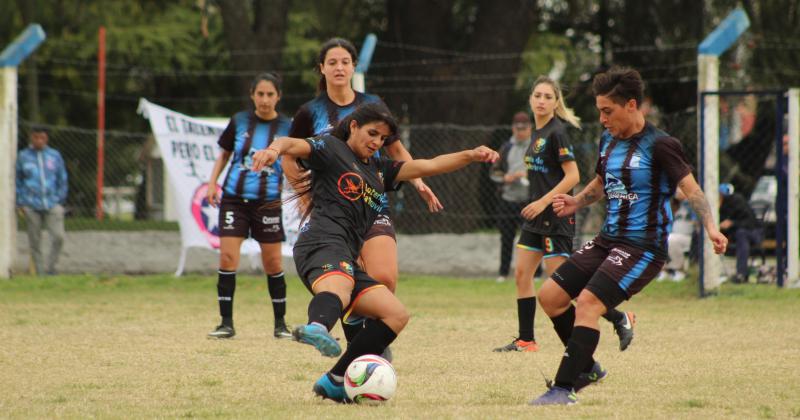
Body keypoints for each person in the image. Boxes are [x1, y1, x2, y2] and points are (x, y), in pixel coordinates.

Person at [251, 102, 498, 402]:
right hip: (321, 242)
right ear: (353, 126)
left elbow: (428, 165)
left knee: (396, 314)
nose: (377, 142)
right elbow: (292, 143)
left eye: (382, 138)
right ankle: (318, 327)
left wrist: (471, 155)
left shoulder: (380, 170)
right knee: (340, 285)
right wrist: (274, 150)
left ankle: (335, 379)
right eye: (372, 133)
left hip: (346, 252)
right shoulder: (330, 147)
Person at [530, 67, 727, 406]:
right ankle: (587, 366)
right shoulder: (608, 140)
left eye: (608, 111)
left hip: (643, 248)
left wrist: (710, 226)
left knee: (589, 304)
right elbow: (600, 182)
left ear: (632, 105)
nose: (602, 119)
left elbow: (691, 189)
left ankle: (564, 389)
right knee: (550, 296)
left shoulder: (662, 145)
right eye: (600, 111)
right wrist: (576, 201)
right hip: (608, 239)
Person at [283, 37, 442, 346]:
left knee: (385, 277)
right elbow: (290, 157)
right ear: (322, 68)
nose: (339, 67)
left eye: (345, 62)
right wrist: (306, 199)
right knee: (343, 276)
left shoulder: (372, 103)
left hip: (372, 202)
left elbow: (395, 148)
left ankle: (368, 335)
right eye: (332, 62)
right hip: (332, 207)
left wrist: (418, 183)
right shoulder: (309, 112)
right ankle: (362, 349)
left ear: (354, 66)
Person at [493, 76, 635, 354]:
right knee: (522, 274)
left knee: (561, 285)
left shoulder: (557, 132)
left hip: (556, 214)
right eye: (538, 95)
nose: (542, 101)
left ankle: (619, 317)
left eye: (548, 96)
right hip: (536, 216)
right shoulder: (535, 133)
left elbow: (574, 176)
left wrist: (543, 201)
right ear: (531, 99)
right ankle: (526, 340)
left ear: (556, 102)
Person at [206, 73, 293, 340]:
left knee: (273, 262)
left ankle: (281, 325)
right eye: (260, 94)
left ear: (278, 96)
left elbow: (293, 161)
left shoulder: (288, 127)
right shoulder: (239, 121)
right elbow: (224, 155)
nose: (265, 100)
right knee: (228, 259)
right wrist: (212, 184)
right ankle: (226, 323)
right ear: (252, 95)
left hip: (267, 202)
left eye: (270, 94)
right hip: (234, 200)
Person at [16, 126, 68, 276]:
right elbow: (18, 180)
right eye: (36, 137)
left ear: (46, 139)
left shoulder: (54, 156)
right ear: (31, 138)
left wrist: (60, 199)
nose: (39, 141)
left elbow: (62, 178)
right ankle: (40, 274)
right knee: (35, 241)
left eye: (42, 138)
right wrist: (21, 202)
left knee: (58, 237)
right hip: (31, 205)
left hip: (52, 203)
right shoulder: (23, 156)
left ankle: (51, 268)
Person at [490, 112, 532, 283]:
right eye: (517, 128)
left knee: (530, 239)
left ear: (530, 128)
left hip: (529, 200)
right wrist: (505, 177)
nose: (520, 132)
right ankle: (503, 273)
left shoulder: (536, 147)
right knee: (506, 238)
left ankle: (534, 274)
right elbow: (494, 172)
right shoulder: (506, 147)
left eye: (524, 128)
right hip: (507, 199)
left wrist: (529, 175)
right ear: (513, 128)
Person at [718, 183, 760, 284]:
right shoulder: (722, 206)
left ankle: (741, 273)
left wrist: (732, 223)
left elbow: (750, 223)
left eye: (720, 195)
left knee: (741, 233)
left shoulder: (738, 202)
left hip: (754, 233)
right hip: (735, 233)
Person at [658, 189, 696, 282]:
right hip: (675, 235)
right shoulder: (673, 205)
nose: (677, 191)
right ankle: (664, 270)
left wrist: (687, 200)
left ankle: (679, 270)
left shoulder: (692, 204)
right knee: (662, 239)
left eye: (681, 189)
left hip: (689, 237)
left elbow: (696, 221)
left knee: (672, 240)